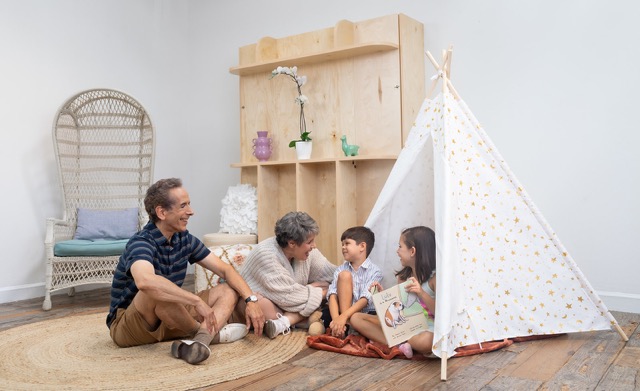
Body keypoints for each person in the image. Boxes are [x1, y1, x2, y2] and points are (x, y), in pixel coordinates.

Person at [106, 178, 265, 365]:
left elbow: (225, 270)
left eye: (189, 204)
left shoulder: (184, 239)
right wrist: (196, 301)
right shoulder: (141, 242)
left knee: (227, 290)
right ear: (162, 212)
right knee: (155, 291)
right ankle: (210, 337)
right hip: (131, 325)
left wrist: (250, 300)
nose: (191, 211)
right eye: (183, 206)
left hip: (169, 315)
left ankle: (199, 342)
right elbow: (145, 281)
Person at [238, 211, 336, 339]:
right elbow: (290, 298)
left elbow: (333, 273)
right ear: (292, 243)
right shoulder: (267, 256)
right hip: (258, 301)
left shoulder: (308, 253)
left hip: (287, 299)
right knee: (267, 309)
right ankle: (293, 320)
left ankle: (286, 322)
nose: (314, 246)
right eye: (310, 241)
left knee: (328, 285)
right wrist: (324, 292)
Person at [350, 226, 436, 358]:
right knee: (356, 318)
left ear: (412, 251)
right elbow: (398, 309)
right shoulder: (403, 278)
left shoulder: (433, 279)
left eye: (400, 247)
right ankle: (402, 344)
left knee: (426, 342)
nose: (397, 251)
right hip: (403, 325)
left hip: (427, 329)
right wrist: (381, 296)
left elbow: (441, 313)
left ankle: (401, 342)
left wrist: (421, 293)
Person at [323, 226, 382, 338]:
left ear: (362, 246)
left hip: (363, 315)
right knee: (344, 275)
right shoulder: (340, 269)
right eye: (342, 244)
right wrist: (337, 320)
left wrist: (344, 317)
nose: (343, 247)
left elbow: (365, 299)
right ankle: (343, 328)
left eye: (347, 243)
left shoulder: (375, 272)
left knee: (372, 319)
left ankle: (348, 326)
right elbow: (332, 296)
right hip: (342, 314)